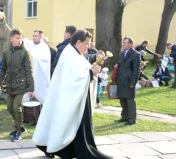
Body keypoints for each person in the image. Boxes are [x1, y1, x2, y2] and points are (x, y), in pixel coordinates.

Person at [32, 29, 111, 159]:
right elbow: (74, 78)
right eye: (86, 44)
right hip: (69, 98)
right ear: (78, 42)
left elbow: (79, 72)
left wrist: (92, 70)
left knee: (66, 124)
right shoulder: (70, 54)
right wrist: (92, 72)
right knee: (67, 124)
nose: (87, 47)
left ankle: (67, 150)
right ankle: (80, 151)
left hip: (75, 97)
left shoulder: (74, 53)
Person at [0, 29, 34, 142]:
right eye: (17, 38)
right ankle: (20, 126)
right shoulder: (6, 52)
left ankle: (18, 131)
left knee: (16, 107)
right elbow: (3, 70)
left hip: (21, 85)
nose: (19, 40)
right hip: (10, 85)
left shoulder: (25, 52)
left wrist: (31, 88)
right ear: (11, 38)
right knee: (9, 107)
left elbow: (29, 70)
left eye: (21, 38)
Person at [114, 37, 140, 126]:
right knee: (122, 99)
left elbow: (136, 70)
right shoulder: (121, 54)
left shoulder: (136, 54)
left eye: (125, 43)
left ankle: (131, 118)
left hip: (129, 81)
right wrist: (115, 78)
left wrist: (133, 82)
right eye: (123, 42)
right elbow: (119, 67)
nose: (123, 44)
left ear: (130, 44)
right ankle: (124, 116)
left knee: (130, 100)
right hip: (121, 80)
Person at [27, 30, 50, 104]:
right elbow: (22, 40)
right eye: (33, 36)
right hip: (30, 73)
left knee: (39, 94)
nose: (33, 37)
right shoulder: (30, 44)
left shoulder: (44, 47)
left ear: (40, 37)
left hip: (40, 75)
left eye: (35, 36)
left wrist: (32, 57)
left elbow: (45, 60)